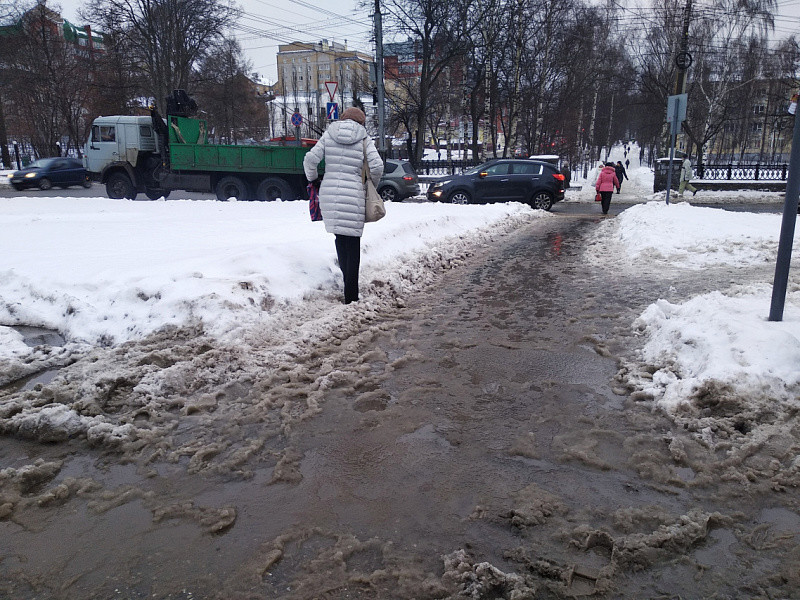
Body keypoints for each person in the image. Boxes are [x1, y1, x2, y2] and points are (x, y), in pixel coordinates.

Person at [303, 107, 383, 304]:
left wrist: (313, 180)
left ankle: (347, 283)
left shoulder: (329, 134)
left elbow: (310, 159)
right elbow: (378, 166)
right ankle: (351, 296)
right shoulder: (364, 138)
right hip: (354, 192)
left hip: (329, 192)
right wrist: (371, 185)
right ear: (361, 122)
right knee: (353, 243)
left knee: (340, 237)